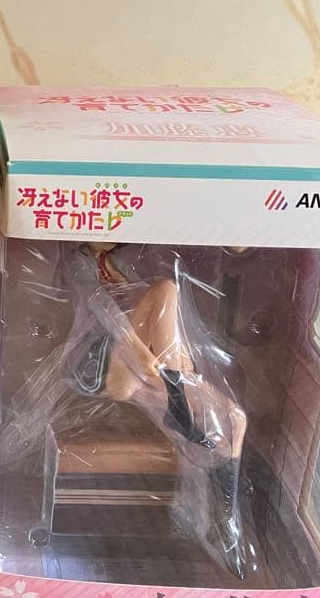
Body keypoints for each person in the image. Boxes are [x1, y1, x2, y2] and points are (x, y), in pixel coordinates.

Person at [64, 242, 250, 578]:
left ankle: (228, 523)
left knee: (235, 419)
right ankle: (179, 398)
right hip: (100, 363)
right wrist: (141, 353)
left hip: (145, 367)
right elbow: (102, 308)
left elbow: (163, 328)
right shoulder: (78, 261)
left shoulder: (125, 259)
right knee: (165, 289)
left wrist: (175, 366)